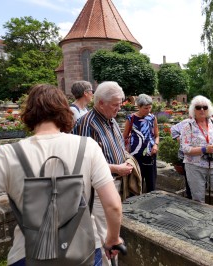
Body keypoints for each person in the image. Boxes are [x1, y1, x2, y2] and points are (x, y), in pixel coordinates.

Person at [0, 84, 122, 266]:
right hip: (82, 252)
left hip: (28, 254)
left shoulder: (5, 155)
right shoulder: (88, 147)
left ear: (28, 113)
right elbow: (113, 206)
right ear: (64, 111)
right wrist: (113, 239)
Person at [72, 81, 134, 266]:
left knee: (113, 231)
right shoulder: (86, 124)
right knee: (103, 234)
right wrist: (117, 168)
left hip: (115, 184)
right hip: (98, 190)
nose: (119, 107)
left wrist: (127, 159)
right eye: (115, 104)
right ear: (100, 103)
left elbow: (119, 147)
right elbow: (84, 163)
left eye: (120, 103)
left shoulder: (112, 119)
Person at [181, 95, 213, 210]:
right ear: (193, 110)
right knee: (199, 200)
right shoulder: (188, 126)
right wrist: (204, 149)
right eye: (198, 107)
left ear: (208, 108)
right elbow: (185, 149)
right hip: (194, 166)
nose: (202, 110)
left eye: (205, 107)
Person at [123, 94, 159, 193]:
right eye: (145, 108)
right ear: (138, 107)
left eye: (150, 108)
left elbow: (157, 135)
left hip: (150, 154)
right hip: (136, 155)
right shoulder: (131, 118)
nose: (148, 110)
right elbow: (124, 136)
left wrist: (155, 145)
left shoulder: (152, 118)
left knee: (151, 182)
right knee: (137, 181)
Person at [171, 118, 192, 199]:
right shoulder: (187, 122)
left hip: (201, 158)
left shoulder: (210, 122)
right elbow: (173, 129)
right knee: (189, 180)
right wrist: (178, 138)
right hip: (186, 157)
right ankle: (190, 198)